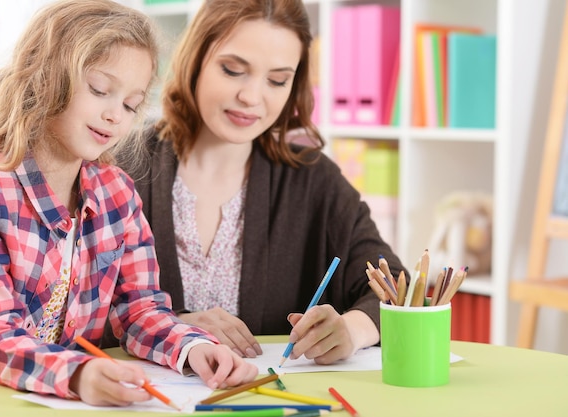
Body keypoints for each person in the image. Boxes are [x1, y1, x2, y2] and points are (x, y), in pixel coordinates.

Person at [0, 0, 257, 405]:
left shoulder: (118, 194)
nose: (116, 116)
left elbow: (140, 311)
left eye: (130, 104)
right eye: (99, 90)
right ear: (46, 77)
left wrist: (194, 349)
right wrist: (79, 374)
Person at [108, 0, 409, 365]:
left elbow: (397, 287)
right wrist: (169, 328)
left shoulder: (313, 180)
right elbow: (65, 314)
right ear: (196, 60)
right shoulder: (118, 167)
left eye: (277, 80)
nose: (251, 97)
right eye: (233, 70)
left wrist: (352, 329)